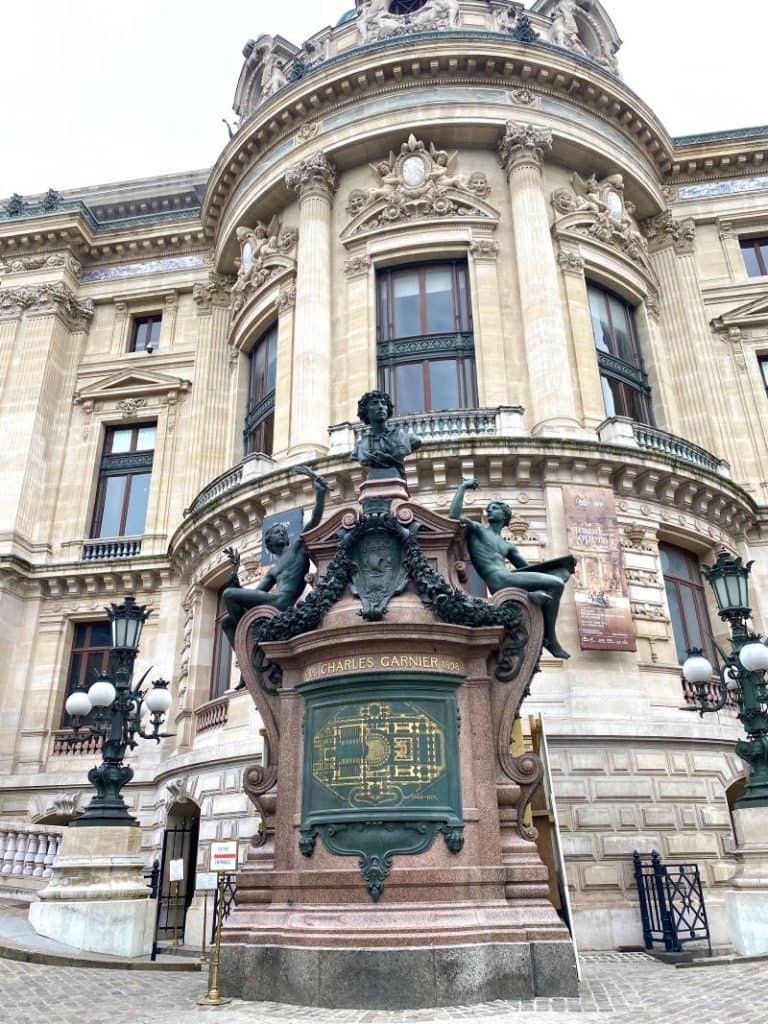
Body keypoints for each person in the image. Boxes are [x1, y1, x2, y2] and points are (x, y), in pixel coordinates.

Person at [449, 479, 574, 659]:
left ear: (505, 516)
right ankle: (550, 638)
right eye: (489, 508)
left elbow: (529, 570)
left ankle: (533, 597)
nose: (490, 509)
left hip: (507, 578)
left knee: (558, 576)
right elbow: (454, 516)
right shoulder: (478, 529)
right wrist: (462, 487)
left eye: (495, 507)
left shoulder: (508, 546)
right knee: (556, 584)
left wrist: (562, 567)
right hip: (498, 580)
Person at [220, 470, 329, 646]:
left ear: (286, 538)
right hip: (272, 600)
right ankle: (245, 652)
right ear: (270, 544)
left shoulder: (296, 549)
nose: (281, 534)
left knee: (229, 595)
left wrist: (320, 495)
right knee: (226, 620)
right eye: (276, 533)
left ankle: (249, 636)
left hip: (283, 601)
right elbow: (257, 593)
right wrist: (236, 582)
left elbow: (314, 521)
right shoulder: (273, 570)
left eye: (282, 532)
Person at [351, 390, 422, 479]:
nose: (380, 407)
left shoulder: (403, 438)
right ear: (366, 411)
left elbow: (417, 442)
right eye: (375, 403)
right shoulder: (360, 446)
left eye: (383, 403)